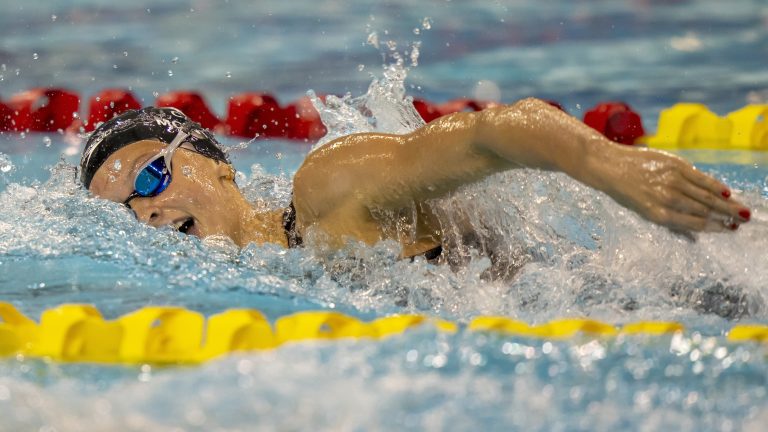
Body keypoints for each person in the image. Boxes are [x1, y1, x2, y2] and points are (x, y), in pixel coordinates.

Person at [80, 99, 751, 260]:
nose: (150, 213)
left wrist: (612, 164)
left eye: (152, 177)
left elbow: (492, 132)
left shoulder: (328, 190)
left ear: (217, 162)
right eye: (127, 214)